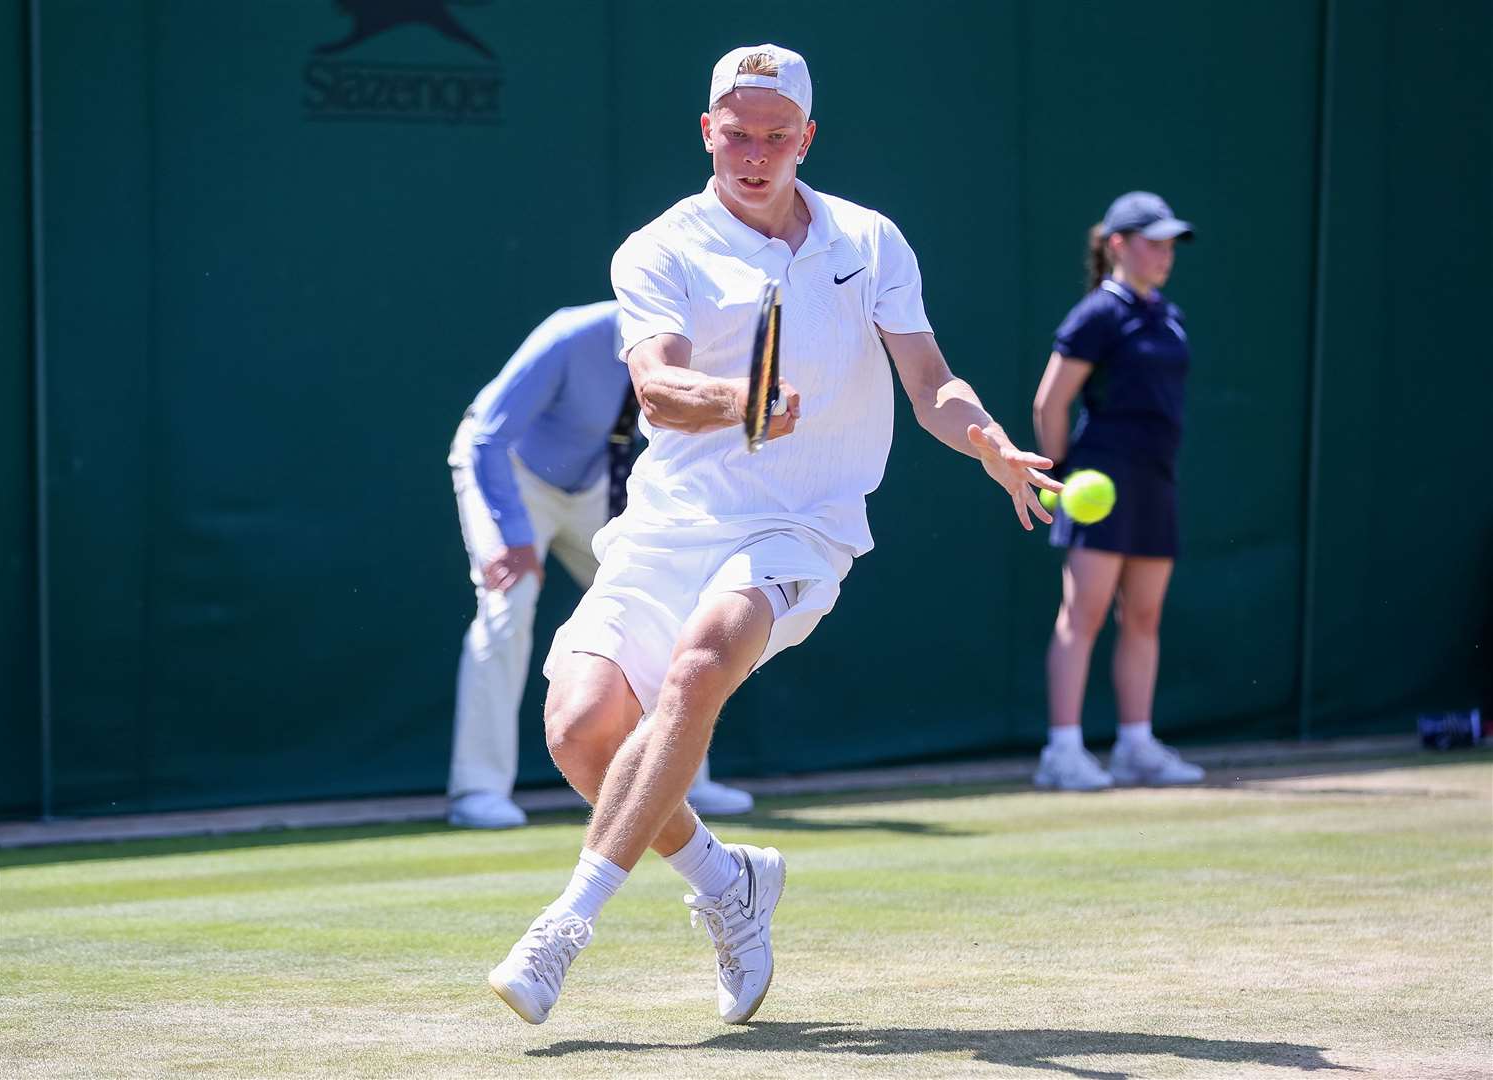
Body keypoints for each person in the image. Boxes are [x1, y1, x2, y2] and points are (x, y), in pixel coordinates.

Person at [486, 44, 1060, 1026]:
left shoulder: (870, 241)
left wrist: (991, 445)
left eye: (775, 138)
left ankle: (564, 927)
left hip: (804, 524)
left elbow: (932, 385)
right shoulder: (658, 248)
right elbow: (659, 387)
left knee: (700, 663)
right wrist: (741, 401)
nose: (754, 156)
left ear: (807, 138)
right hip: (671, 521)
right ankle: (726, 882)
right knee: (582, 732)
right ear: (708, 132)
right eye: (736, 136)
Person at [446, 301, 755, 829]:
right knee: (507, 606)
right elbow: (487, 439)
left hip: (593, 487)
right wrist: (516, 538)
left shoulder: (696, 352)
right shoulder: (569, 335)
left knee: (662, 611)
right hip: (511, 479)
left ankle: (682, 783)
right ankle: (477, 791)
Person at [1030, 192, 1207, 791]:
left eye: (1169, 245)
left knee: (1145, 615)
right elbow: (1050, 401)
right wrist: (1059, 477)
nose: (1164, 255)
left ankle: (1136, 745)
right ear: (1116, 246)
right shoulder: (1097, 315)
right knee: (1083, 615)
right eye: (1151, 243)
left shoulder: (1168, 314)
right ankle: (1062, 752)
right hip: (1100, 478)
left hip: (1156, 478)